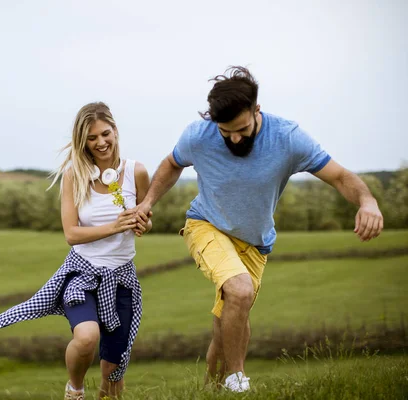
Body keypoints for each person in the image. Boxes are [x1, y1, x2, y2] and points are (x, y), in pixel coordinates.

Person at [135, 66, 384, 392]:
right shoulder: (199, 135)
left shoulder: (287, 138)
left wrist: (367, 201)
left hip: (254, 243)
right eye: (226, 132)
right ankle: (238, 380)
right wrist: (147, 201)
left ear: (257, 110)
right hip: (205, 225)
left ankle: (211, 391)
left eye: (242, 129)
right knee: (239, 290)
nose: (234, 138)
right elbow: (172, 163)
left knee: (226, 329)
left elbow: (339, 176)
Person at [0, 102, 152, 400]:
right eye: (91, 138)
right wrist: (115, 227)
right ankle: (75, 388)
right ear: (83, 141)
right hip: (82, 273)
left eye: (105, 133)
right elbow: (71, 234)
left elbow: (143, 219)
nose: (100, 142)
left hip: (122, 277)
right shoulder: (74, 175)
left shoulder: (136, 172)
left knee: (113, 375)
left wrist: (142, 224)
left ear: (115, 131)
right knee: (87, 337)